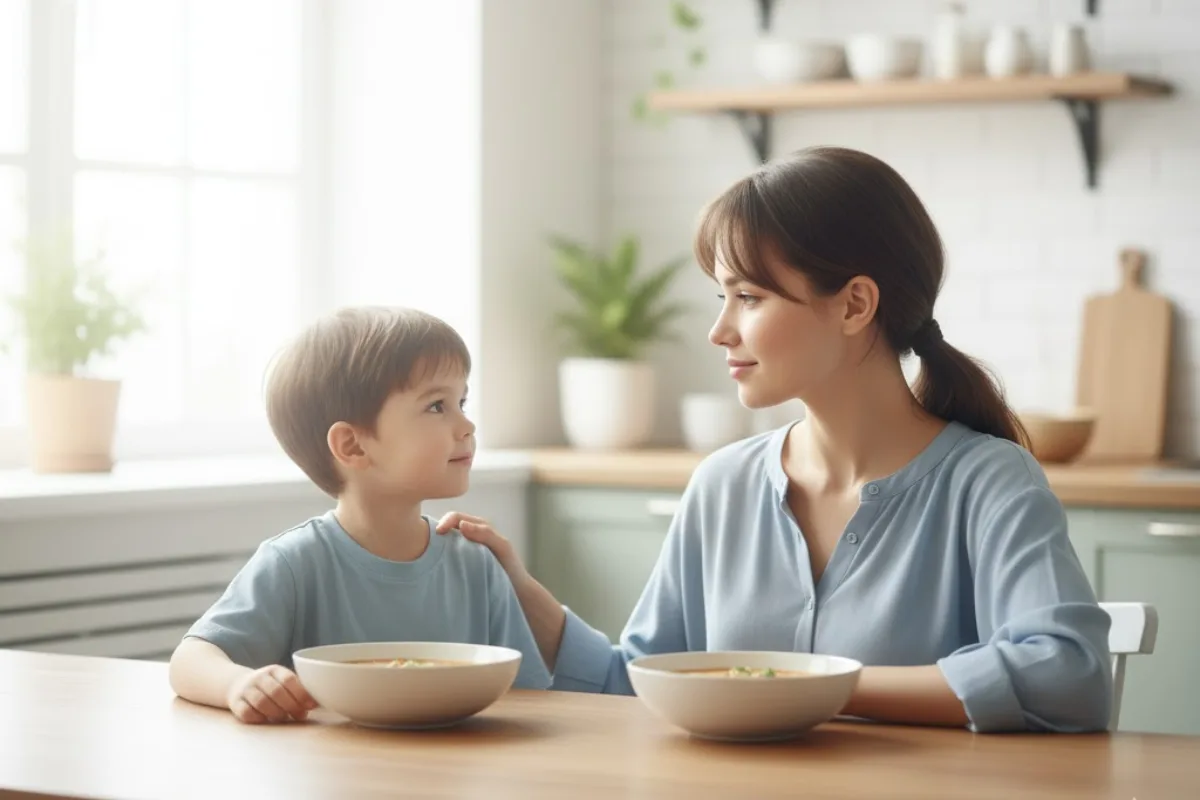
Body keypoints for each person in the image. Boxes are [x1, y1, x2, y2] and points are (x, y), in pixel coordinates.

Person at [439, 146, 1113, 734]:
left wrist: (817, 687)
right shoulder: (723, 485)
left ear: (855, 304)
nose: (720, 331)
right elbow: (644, 681)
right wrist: (522, 591)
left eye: (750, 297)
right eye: (721, 297)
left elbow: (1067, 674)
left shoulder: (989, 482)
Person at [169, 307, 551, 724]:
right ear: (352, 445)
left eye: (461, 401)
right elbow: (189, 661)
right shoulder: (294, 563)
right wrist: (238, 684)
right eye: (437, 406)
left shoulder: (476, 564)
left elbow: (531, 697)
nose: (467, 425)